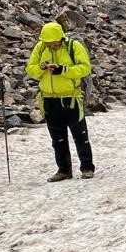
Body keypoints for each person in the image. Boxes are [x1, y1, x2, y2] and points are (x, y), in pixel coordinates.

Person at [25, 21, 95, 182]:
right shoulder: (41, 47)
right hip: (49, 100)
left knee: (80, 135)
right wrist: (41, 68)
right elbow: (30, 70)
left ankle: (87, 168)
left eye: (53, 42)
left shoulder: (74, 46)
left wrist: (63, 70)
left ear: (60, 38)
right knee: (57, 138)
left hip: (71, 98)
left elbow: (85, 68)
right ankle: (63, 170)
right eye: (47, 42)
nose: (50, 45)